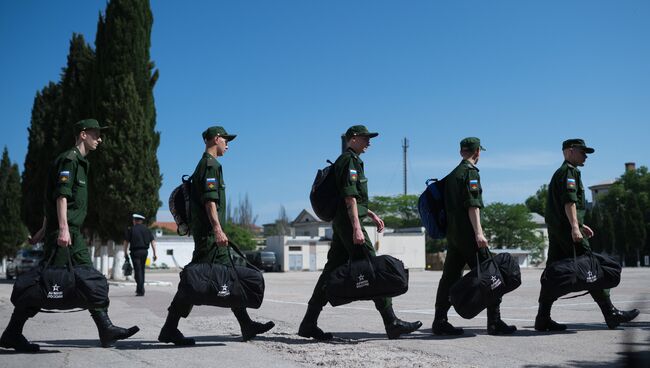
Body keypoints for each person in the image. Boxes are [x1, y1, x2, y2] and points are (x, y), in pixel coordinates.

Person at [0, 119, 140, 352]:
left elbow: (54, 201)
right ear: (83, 134)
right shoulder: (70, 160)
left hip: (66, 231)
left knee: (74, 278)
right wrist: (62, 228)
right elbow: (60, 197)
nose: (100, 139)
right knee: (50, 282)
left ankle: (104, 328)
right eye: (96, 134)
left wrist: (43, 231)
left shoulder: (81, 163)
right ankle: (13, 332)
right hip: (67, 233)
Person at [298, 125, 422, 340]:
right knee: (373, 268)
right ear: (353, 138)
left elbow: (351, 196)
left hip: (342, 221)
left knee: (331, 271)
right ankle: (391, 322)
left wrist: (371, 214)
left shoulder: (347, 160)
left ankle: (308, 323)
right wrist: (357, 227)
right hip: (348, 223)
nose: (369, 142)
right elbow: (349, 197)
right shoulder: (349, 160)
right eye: (365, 138)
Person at [158, 126, 275, 345]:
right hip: (210, 237)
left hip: (207, 235)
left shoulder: (204, 165)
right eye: (226, 140)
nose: (228, 145)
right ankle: (170, 328)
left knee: (222, 276)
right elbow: (209, 202)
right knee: (207, 279)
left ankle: (245, 325)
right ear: (216, 139)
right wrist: (218, 229)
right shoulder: (211, 165)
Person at [534, 139, 640, 331]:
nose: (585, 156)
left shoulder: (561, 172)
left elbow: (561, 207)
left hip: (558, 232)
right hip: (567, 232)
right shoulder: (569, 172)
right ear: (570, 151)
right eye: (582, 152)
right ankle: (611, 313)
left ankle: (542, 318)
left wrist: (580, 224)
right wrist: (575, 227)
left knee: (551, 273)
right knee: (591, 268)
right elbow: (569, 202)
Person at [431, 137, 517, 336]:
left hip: (453, 236)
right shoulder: (470, 173)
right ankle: (494, 322)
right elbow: (473, 205)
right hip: (469, 235)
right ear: (477, 152)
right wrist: (479, 232)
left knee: (449, 278)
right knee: (492, 273)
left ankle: (439, 320)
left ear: (462, 151)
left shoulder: (452, 175)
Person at [123, 213, 158, 296]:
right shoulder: (147, 230)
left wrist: (125, 253)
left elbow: (126, 242)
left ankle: (140, 290)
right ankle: (140, 289)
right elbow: (153, 242)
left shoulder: (131, 229)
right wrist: (154, 254)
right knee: (141, 270)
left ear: (135, 221)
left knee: (138, 270)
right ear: (141, 221)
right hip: (144, 252)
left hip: (135, 252)